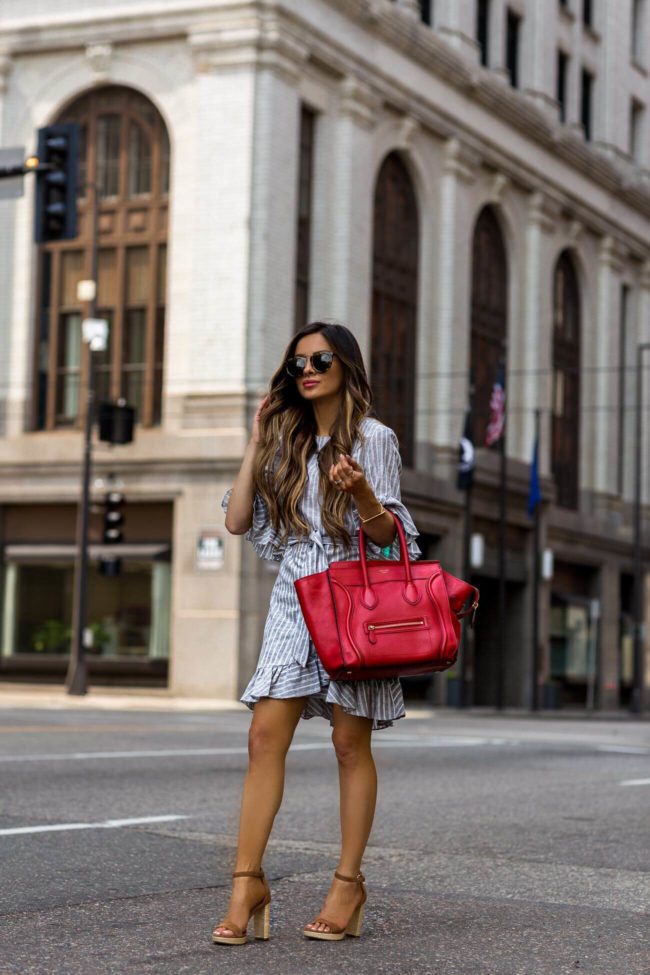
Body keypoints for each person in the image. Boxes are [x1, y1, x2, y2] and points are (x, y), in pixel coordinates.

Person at [213, 321, 420, 945]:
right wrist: (255, 442)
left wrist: (360, 493)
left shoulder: (374, 438)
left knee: (350, 745)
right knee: (261, 737)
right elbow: (238, 521)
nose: (308, 369)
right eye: (298, 361)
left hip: (353, 596)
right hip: (293, 598)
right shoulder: (285, 439)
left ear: (345, 366)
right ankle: (246, 882)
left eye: (321, 359)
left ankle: (348, 882)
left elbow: (392, 540)